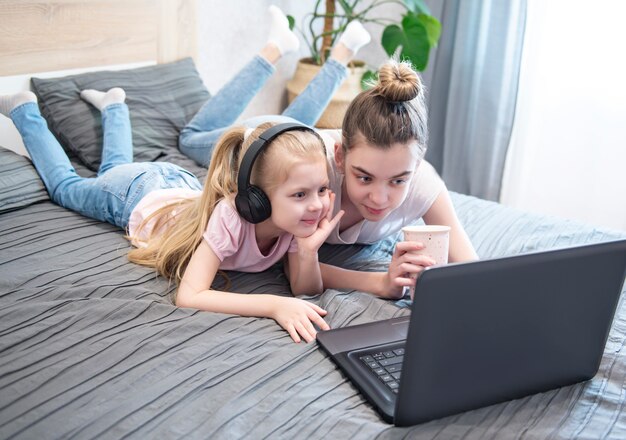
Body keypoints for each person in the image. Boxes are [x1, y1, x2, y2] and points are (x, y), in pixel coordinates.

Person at [0, 87, 344, 344]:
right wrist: (273, 305)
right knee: (66, 187)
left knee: (113, 169)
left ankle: (115, 106)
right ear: (255, 198)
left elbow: (304, 288)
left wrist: (308, 250)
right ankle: (24, 109)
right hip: (138, 194)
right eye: (300, 194)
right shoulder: (232, 217)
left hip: (177, 183)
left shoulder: (296, 222)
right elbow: (190, 296)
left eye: (321, 189)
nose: (316, 205)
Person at [318, 59, 479, 299]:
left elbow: (472, 271)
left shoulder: (423, 182)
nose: (379, 198)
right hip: (279, 144)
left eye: (398, 181)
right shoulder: (314, 173)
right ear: (340, 156)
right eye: (364, 178)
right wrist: (381, 282)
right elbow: (292, 262)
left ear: (416, 164)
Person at [178, 5, 371, 167]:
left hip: (256, 140)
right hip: (265, 140)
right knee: (288, 128)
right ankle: (338, 52)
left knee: (188, 139)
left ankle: (284, 48)